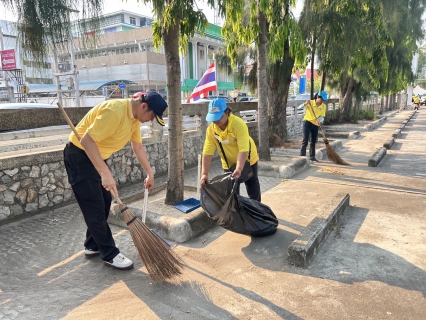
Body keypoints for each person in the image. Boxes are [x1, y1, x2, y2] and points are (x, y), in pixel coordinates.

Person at [63, 91, 167, 270]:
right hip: (79, 156)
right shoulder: (115, 111)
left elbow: (138, 146)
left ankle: (92, 245)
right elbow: (87, 140)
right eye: (151, 116)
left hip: (95, 157)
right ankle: (109, 253)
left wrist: (150, 173)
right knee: (94, 206)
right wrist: (105, 172)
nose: (151, 120)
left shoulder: (134, 118)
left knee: (104, 203)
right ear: (143, 106)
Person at [200, 98, 261, 202]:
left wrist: (239, 168)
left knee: (252, 184)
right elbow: (207, 153)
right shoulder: (211, 130)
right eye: (213, 118)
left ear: (227, 112)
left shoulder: (238, 125)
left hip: (247, 159)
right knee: (231, 191)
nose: (216, 121)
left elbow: (243, 149)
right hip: (228, 163)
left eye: (219, 117)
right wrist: (204, 174)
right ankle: (235, 213)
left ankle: (257, 209)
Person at [300, 90, 328, 162]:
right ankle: (302, 157)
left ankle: (312, 157)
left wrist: (320, 119)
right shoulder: (311, 102)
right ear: (318, 97)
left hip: (315, 124)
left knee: (313, 141)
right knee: (305, 140)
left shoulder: (323, 106)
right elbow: (299, 108)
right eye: (321, 99)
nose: (322, 101)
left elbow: (322, 116)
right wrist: (305, 103)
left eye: (323, 100)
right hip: (307, 122)